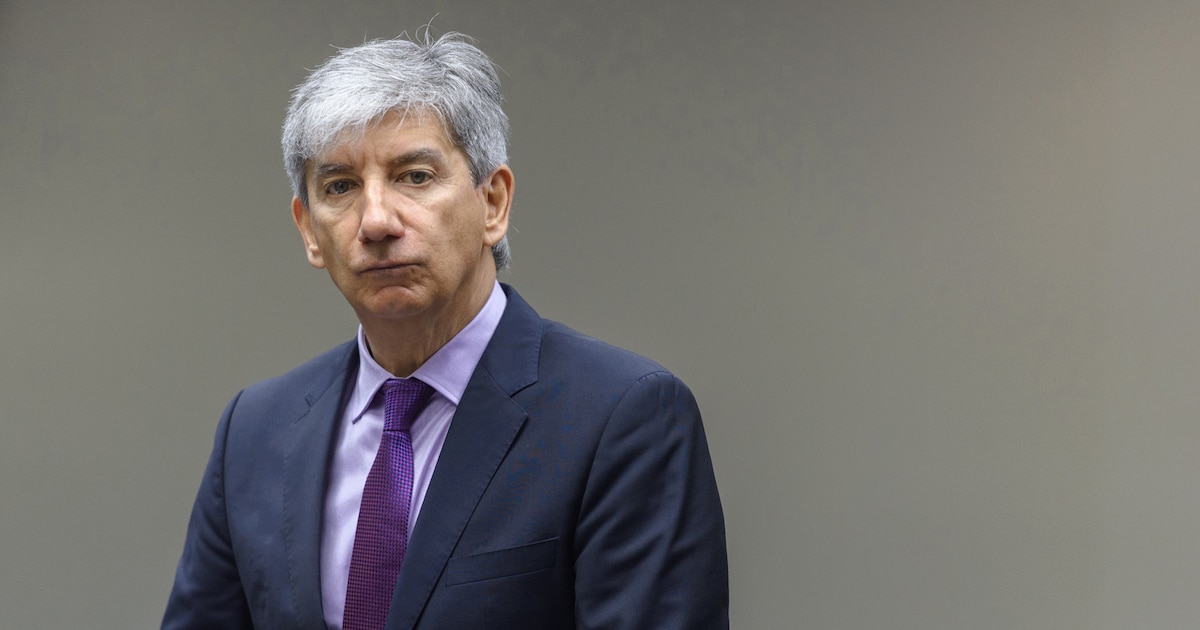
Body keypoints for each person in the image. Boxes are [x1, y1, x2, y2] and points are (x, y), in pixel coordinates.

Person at [162, 31, 728, 630]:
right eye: (340, 187)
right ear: (308, 230)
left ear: (494, 203)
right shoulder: (255, 431)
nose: (376, 221)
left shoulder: (622, 418)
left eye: (414, 176)